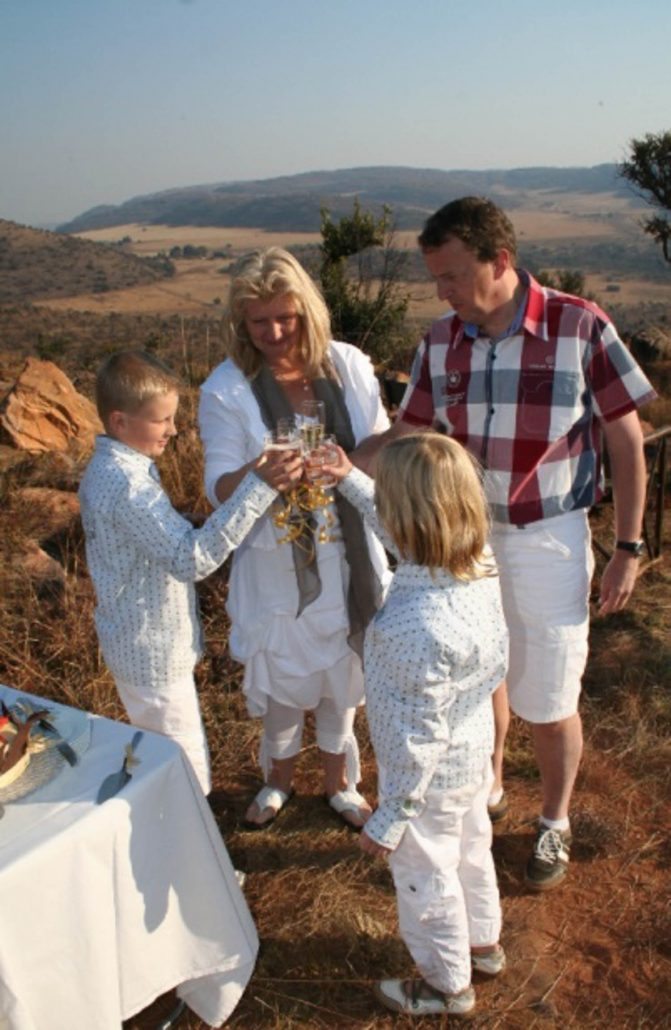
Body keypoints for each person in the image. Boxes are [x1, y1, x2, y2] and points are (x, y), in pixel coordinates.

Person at [353, 196, 656, 890]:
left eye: (453, 275)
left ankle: (553, 820)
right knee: (474, 672)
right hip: (461, 543)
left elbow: (624, 436)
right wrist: (342, 461)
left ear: (500, 261)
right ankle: (485, 785)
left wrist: (627, 547)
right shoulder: (439, 342)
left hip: (548, 538)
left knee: (548, 696)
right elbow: (408, 436)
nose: (443, 291)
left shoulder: (579, 325)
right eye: (436, 277)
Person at [198, 247, 391, 830]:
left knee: (343, 675)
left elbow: (382, 444)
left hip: (350, 553)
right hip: (275, 563)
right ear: (241, 322)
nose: (275, 333)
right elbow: (218, 486)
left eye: (286, 317)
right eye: (260, 321)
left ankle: (340, 784)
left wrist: (347, 465)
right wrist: (258, 473)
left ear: (308, 310)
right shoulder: (227, 387)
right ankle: (277, 781)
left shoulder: (347, 365)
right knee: (282, 676)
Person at [323, 433, 508, 1017]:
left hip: (425, 783)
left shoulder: (409, 625)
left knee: (427, 876)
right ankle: (483, 944)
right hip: (472, 752)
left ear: (404, 519)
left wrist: (391, 816)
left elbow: (414, 740)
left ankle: (446, 985)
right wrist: (348, 479)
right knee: (472, 848)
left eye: (384, 501)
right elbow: (403, 545)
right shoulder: (476, 566)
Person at [79, 350, 303, 794]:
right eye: (161, 420)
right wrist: (258, 489)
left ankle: (165, 828)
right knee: (185, 771)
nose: (173, 429)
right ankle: (190, 837)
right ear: (120, 421)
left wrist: (197, 518)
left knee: (159, 761)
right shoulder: (128, 484)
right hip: (153, 655)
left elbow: (150, 538)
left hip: (135, 645)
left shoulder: (113, 468)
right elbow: (191, 560)